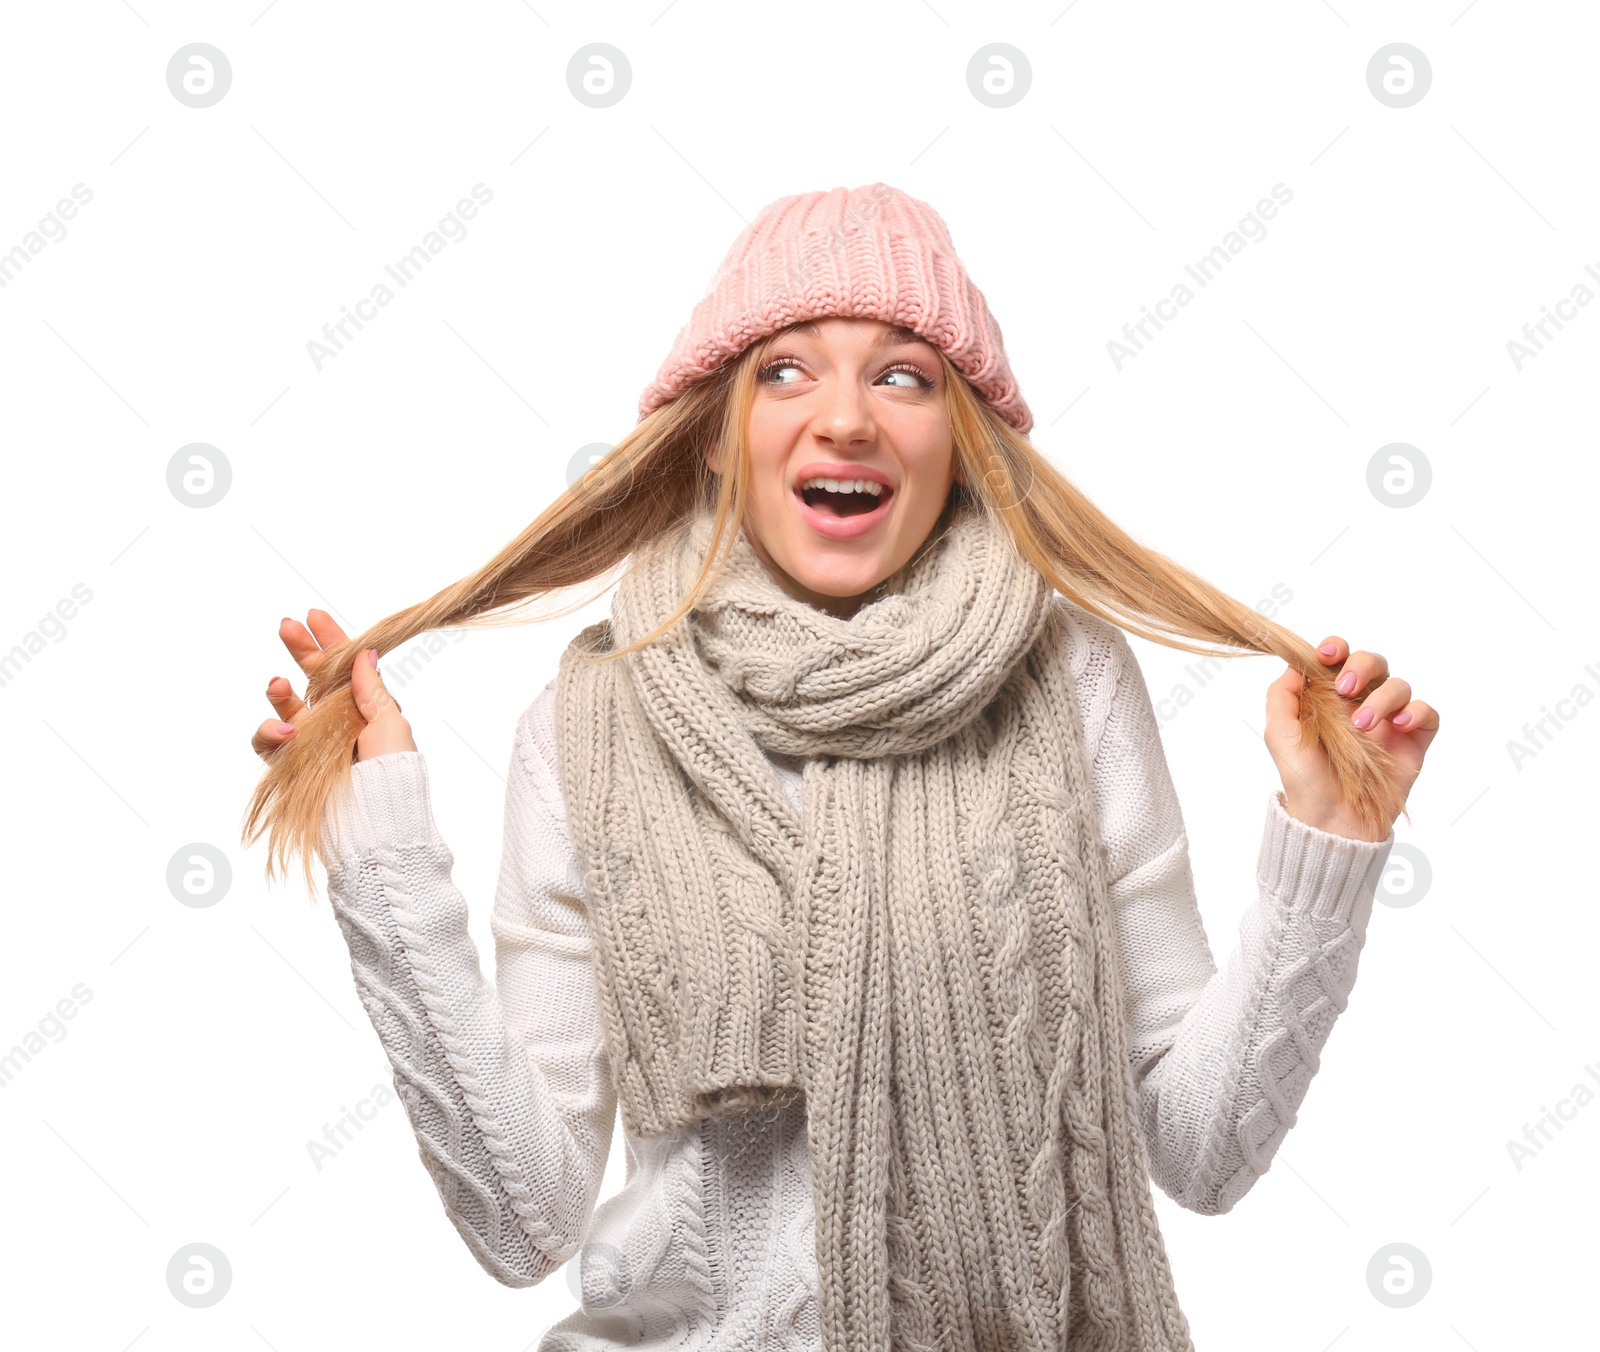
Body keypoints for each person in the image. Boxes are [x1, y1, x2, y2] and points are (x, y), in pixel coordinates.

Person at [243, 183, 1439, 1351]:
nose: (847, 417)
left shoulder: (1072, 681)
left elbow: (1202, 1149)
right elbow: (522, 1219)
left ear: (963, 445)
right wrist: (382, 858)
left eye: (903, 374)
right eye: (785, 368)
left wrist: (1323, 846)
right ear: (716, 432)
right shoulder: (586, 724)